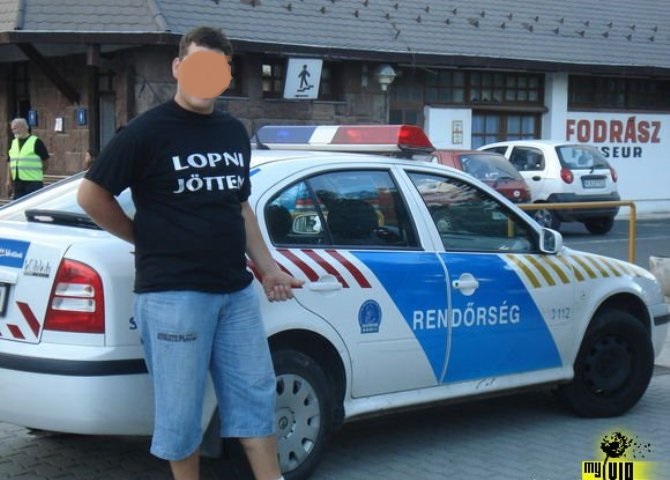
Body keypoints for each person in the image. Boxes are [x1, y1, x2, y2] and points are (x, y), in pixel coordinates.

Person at [77, 25, 302, 480]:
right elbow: (91, 195)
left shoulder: (232, 131)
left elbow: (240, 206)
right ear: (178, 67)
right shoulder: (146, 132)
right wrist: (141, 237)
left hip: (236, 294)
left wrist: (269, 269)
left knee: (256, 401)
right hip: (173, 295)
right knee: (181, 414)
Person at [6, 117, 50, 199]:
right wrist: (9, 180)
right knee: (18, 204)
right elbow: (10, 162)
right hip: (18, 182)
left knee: (33, 203)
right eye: (12, 129)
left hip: (33, 183)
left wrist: (39, 173)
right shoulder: (13, 143)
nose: (13, 131)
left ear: (23, 127)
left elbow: (45, 161)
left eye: (15, 128)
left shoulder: (36, 142)